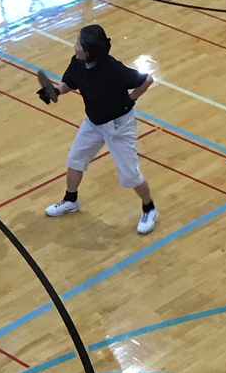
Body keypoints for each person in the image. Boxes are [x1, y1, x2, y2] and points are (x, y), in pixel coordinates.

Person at [41, 23, 159, 234]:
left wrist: (130, 100)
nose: (74, 45)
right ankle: (70, 200)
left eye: (78, 43)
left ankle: (149, 208)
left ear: (89, 52)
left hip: (119, 126)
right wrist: (56, 91)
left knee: (130, 175)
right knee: (75, 160)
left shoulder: (113, 70)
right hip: (93, 122)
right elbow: (70, 83)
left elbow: (147, 79)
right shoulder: (78, 62)